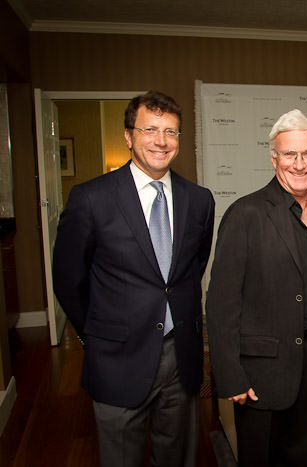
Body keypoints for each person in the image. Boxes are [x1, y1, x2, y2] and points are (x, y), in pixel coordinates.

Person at [53, 91, 215, 466]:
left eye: (171, 132)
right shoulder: (91, 199)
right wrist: (97, 333)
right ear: (129, 136)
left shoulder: (200, 200)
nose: (161, 140)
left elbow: (191, 269)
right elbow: (68, 280)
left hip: (182, 357)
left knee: (176, 456)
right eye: (150, 129)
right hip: (117, 358)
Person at [206, 109, 307, 467]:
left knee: (298, 456)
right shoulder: (246, 214)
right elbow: (221, 302)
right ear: (274, 158)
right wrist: (230, 376)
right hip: (261, 369)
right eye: (290, 154)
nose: (299, 163)